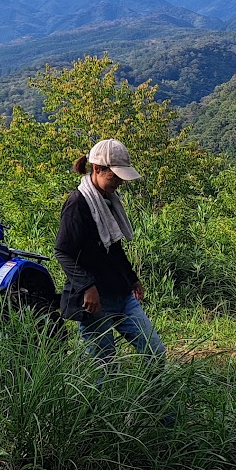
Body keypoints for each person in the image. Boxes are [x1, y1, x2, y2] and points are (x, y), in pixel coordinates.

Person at [55, 138, 166, 366]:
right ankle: (103, 403)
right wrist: (88, 288)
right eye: (114, 175)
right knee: (104, 367)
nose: (120, 182)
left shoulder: (108, 201)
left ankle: (152, 400)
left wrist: (132, 279)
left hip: (121, 293)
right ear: (97, 169)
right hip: (95, 300)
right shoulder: (78, 203)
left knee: (155, 353)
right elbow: (63, 251)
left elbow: (113, 247)